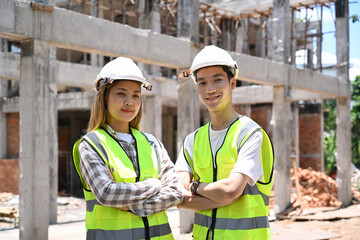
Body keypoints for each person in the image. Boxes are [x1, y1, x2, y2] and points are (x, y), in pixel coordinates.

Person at [72, 57, 183, 240]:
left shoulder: (152, 143)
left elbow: (176, 192)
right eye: (121, 93)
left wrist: (134, 206)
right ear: (104, 97)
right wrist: (155, 185)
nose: (129, 102)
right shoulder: (92, 145)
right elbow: (107, 193)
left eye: (135, 95)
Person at [176, 45, 274, 239]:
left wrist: (196, 187)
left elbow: (230, 190)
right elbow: (180, 197)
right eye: (202, 82)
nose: (210, 89)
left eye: (217, 80)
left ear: (233, 83)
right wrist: (221, 197)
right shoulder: (192, 141)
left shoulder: (249, 133)